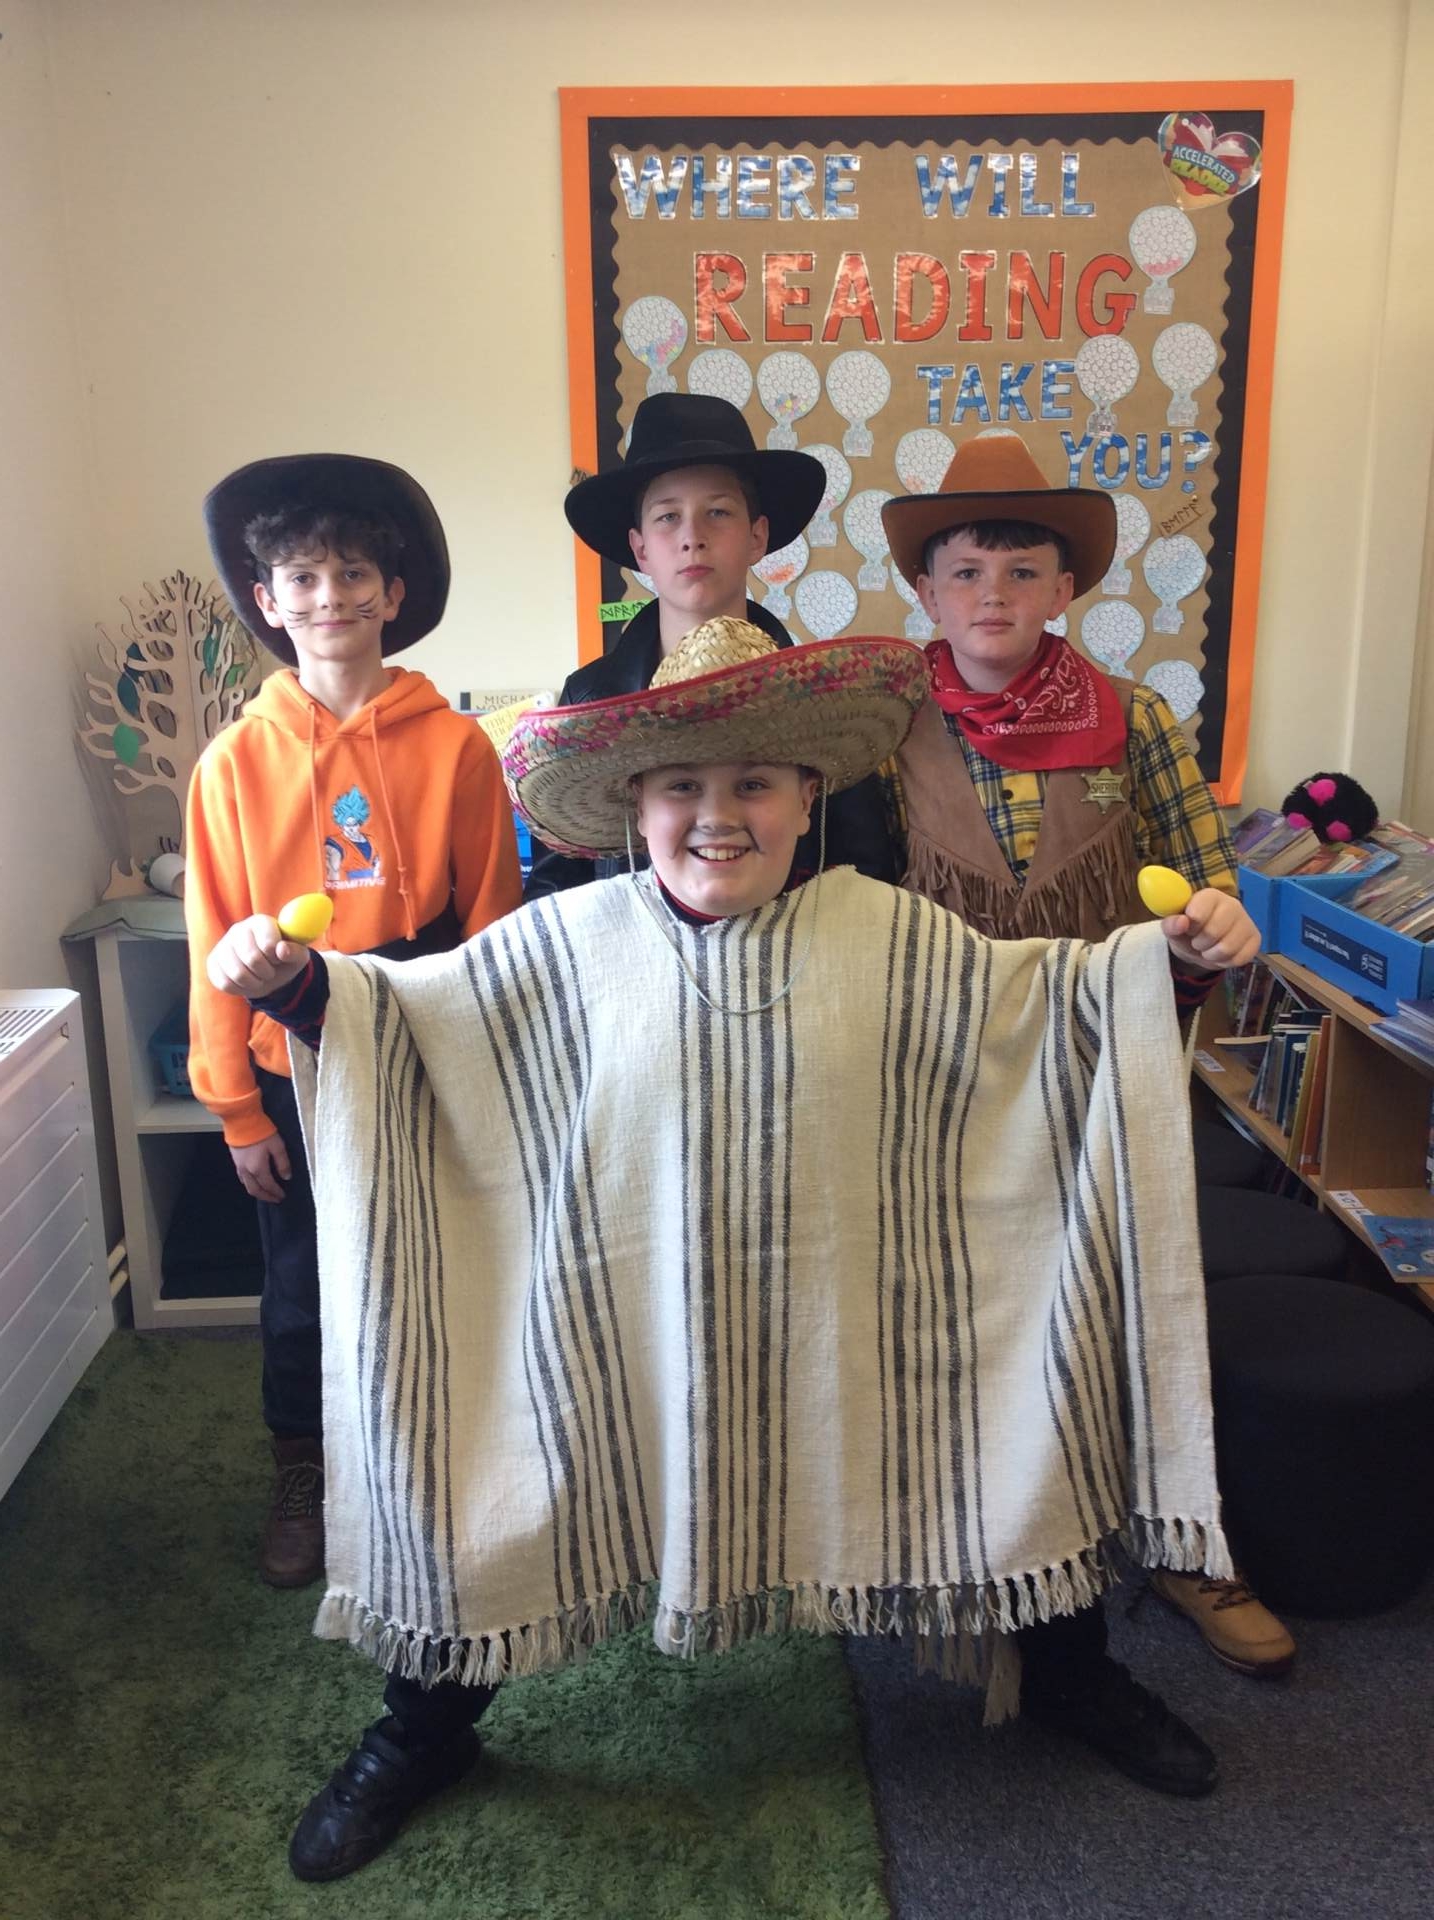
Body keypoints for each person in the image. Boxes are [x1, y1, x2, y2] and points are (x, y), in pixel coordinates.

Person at [208, 617, 1240, 1881]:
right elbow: (415, 1027)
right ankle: (423, 1729)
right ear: (634, 806)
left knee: (1004, 1412)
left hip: (858, 1320)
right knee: (484, 1467)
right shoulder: (566, 944)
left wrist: (1175, 969)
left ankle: (1069, 1669)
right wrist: (293, 983)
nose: (717, 815)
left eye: (753, 782)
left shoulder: (895, 937)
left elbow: (1057, 1016)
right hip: (615, 1326)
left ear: (808, 797)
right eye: (681, 785)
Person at [881, 433, 1293, 1790]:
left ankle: (1133, 1586)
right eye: (964, 571)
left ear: (1064, 590)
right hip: (935, 1096)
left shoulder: (1138, 722)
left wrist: (1215, 926)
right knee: (955, 1342)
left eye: (1020, 570)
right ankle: (945, 1564)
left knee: (1105, 1337)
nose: (991, 593)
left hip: (1095, 1093)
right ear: (927, 592)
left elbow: (1207, 885)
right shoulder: (880, 731)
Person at [184, 453, 522, 1589]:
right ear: (269, 601)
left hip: (424, 1043)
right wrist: (238, 1110)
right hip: (295, 1060)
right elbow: (213, 944)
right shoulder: (233, 764)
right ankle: (305, 1473)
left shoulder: (459, 747)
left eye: (353, 574)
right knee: (303, 1285)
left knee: (436, 1262)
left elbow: (493, 922)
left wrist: (488, 1069)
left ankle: (438, 1461)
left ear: (393, 593)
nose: (330, 596)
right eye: (303, 578)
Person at [524, 391, 898, 898]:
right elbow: (557, 887)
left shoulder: (823, 699)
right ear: (640, 548)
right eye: (667, 516)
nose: (692, 537)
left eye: (718, 512)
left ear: (756, 537)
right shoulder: (590, 697)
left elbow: (865, 876)